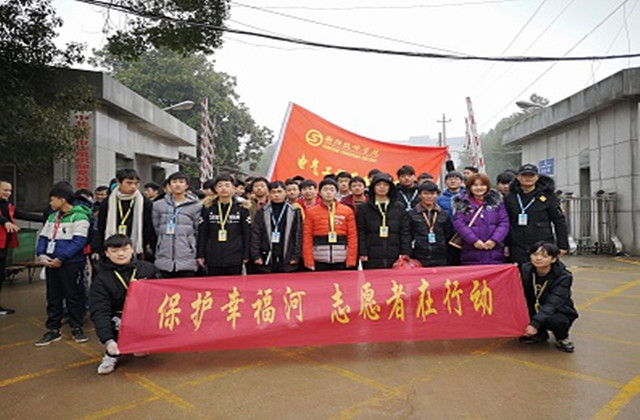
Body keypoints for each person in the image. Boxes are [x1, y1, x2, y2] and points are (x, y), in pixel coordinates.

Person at [89, 234, 160, 374]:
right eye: (114, 251)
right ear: (107, 253)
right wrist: (107, 340)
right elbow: (100, 311)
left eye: (125, 249)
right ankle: (112, 353)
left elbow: (162, 297)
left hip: (143, 313)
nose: (121, 254)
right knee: (113, 321)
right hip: (119, 317)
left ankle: (140, 342)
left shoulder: (148, 269)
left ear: (132, 249)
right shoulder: (101, 278)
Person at [35, 183, 91, 346]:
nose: (50, 204)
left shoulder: (80, 216)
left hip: (71, 264)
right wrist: (42, 255)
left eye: (52, 200)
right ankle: (53, 329)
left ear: (62, 199)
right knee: (53, 297)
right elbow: (43, 237)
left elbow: (79, 241)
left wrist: (61, 258)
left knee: (73, 296)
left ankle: (76, 327)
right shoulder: (53, 217)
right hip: (52, 263)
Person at [519, 242, 578, 353]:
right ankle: (540, 334)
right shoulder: (525, 270)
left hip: (557, 310)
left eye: (544, 256)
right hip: (533, 307)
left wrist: (534, 324)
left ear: (554, 259)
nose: (538, 258)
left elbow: (553, 303)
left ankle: (562, 337)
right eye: (535, 254)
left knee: (557, 321)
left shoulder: (564, 277)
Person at [504, 164, 569, 265]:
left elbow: (559, 221)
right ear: (518, 177)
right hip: (517, 245)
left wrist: (563, 245)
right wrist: (506, 244)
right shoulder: (510, 197)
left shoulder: (548, 197)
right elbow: (505, 222)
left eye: (531, 176)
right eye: (524, 175)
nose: (528, 178)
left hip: (542, 244)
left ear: (537, 177)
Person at [0, 179, 44, 315]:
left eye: (10, 190)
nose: (8, 193)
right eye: (5, 190)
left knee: (0, 275)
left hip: (3, 245)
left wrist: (46, 218)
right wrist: (5, 222)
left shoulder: (8, 205)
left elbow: (22, 214)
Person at [93, 169, 155, 262]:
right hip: (112, 247)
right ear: (119, 182)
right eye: (129, 183)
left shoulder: (144, 202)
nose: (133, 186)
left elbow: (148, 227)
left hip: (135, 248)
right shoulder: (108, 202)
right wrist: (97, 249)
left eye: (136, 183)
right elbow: (101, 226)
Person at [197, 174, 250, 276]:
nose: (223, 188)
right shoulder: (208, 207)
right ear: (215, 189)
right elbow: (202, 232)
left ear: (234, 188)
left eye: (227, 185)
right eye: (220, 186)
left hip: (235, 255)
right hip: (213, 255)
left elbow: (246, 233)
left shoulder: (242, 208)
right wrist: (201, 254)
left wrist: (246, 254)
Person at [152, 172, 202, 278]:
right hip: (164, 256)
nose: (177, 185)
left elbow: (198, 230)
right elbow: (156, 227)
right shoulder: (158, 205)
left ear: (187, 185)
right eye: (174, 182)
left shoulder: (197, 206)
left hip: (187, 256)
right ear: (169, 185)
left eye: (181, 182)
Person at [452, 173, 509, 265]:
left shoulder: (497, 203)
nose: (479, 188)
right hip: (471, 250)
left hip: (494, 250)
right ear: (469, 187)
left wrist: (494, 240)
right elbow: (459, 224)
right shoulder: (462, 203)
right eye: (475, 185)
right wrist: (474, 241)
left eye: (482, 185)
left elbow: (504, 222)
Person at [356, 173, 410, 269]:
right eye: (378, 185)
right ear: (373, 187)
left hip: (394, 253)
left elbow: (405, 231)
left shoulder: (399, 207)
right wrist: (362, 252)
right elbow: (361, 232)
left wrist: (405, 251)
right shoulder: (364, 208)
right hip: (371, 254)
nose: (382, 188)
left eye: (385, 185)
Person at [303, 178, 357, 271]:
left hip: (342, 258)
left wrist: (351, 260)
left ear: (336, 192)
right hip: (319, 259)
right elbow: (307, 237)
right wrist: (309, 261)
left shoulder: (347, 211)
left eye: (332, 190)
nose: (328, 193)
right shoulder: (311, 212)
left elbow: (352, 237)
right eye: (325, 190)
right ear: (319, 193)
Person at [251, 181, 302, 273]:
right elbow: (256, 233)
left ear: (285, 192)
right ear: (269, 193)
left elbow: (298, 234)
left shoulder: (294, 211)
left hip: (287, 255)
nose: (276, 195)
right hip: (267, 255)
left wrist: (296, 256)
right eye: (273, 192)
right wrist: (256, 255)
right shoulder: (262, 211)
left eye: (279, 192)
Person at [408, 182, 455, 267]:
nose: (429, 197)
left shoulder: (443, 214)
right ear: (420, 195)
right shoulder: (411, 214)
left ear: (437, 195)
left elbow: (449, 235)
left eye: (432, 194)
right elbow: (407, 235)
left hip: (440, 256)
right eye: (426, 193)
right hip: (418, 256)